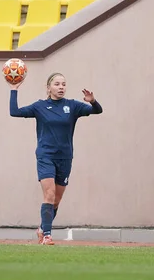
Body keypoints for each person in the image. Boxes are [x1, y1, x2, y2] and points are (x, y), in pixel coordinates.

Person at [8, 73, 103, 245]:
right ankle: (47, 236)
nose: (61, 87)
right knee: (49, 194)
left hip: (65, 157)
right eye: (57, 84)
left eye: (64, 84)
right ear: (48, 88)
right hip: (46, 155)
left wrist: (92, 101)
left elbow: (97, 111)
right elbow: (14, 112)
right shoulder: (40, 106)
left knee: (57, 200)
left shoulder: (72, 106)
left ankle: (42, 228)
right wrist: (14, 90)